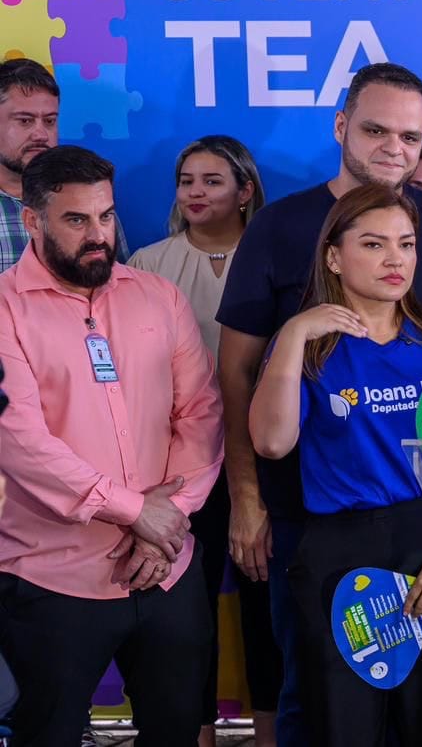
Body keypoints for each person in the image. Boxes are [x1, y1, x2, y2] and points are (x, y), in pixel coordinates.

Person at [216, 62, 422, 746]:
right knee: (330, 720)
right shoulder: (298, 301)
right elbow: (259, 416)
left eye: (405, 245)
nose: (394, 259)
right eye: (373, 245)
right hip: (326, 539)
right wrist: (295, 334)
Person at [0, 145, 222, 744]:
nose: (98, 235)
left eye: (105, 216)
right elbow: (18, 439)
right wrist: (135, 511)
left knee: (177, 732)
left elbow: (200, 412)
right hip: (52, 579)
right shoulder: (3, 309)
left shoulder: (158, 296)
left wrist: (166, 519)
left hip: (166, 569)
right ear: (32, 220)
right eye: (76, 220)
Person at [128, 135, 278, 747]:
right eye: (186, 180)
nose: (194, 192)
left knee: (267, 612)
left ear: (245, 192)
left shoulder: (275, 257)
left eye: (212, 181)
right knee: (186, 616)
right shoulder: (147, 264)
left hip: (262, 460)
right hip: (178, 469)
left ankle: (271, 735)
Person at [0, 58, 129, 272]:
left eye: (50, 121)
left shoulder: (90, 198)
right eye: (25, 121)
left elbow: (118, 283)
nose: (41, 135)